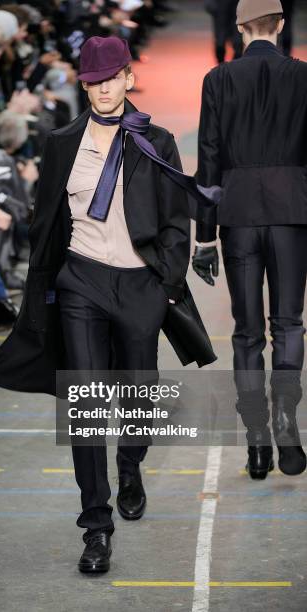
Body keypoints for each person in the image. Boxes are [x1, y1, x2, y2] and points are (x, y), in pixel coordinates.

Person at [0, 36, 216, 574]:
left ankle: (131, 465)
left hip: (138, 285)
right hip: (81, 281)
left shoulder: (155, 139)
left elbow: (176, 219)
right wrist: (44, 290)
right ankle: (96, 525)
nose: (104, 87)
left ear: (128, 78)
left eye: (112, 77)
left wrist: (164, 285)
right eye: (93, 80)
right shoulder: (61, 142)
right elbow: (46, 222)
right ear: (84, 84)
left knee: (137, 394)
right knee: (84, 405)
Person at [193, 0, 307, 481]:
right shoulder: (304, 77)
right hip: (291, 212)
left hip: (237, 213)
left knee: (245, 331)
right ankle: (286, 417)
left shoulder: (218, 80)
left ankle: (257, 436)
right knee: (288, 322)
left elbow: (209, 157)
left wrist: (203, 236)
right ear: (281, 25)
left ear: (239, 28)